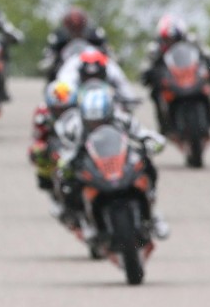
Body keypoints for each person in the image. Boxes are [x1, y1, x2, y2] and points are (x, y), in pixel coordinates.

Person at [54, 83, 170, 240]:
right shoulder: (74, 126)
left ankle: (152, 213)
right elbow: (67, 148)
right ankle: (79, 217)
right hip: (91, 164)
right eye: (91, 122)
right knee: (65, 179)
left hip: (119, 160)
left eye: (101, 121)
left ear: (109, 114)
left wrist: (154, 141)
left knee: (146, 163)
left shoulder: (122, 119)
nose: (96, 125)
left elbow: (142, 133)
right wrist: (65, 162)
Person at [140, 13, 210, 133]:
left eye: (174, 39)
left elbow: (207, 53)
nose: (171, 42)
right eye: (168, 39)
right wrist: (146, 73)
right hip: (169, 76)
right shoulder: (155, 47)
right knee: (155, 91)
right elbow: (147, 64)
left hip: (190, 72)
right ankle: (164, 123)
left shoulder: (192, 40)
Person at [28, 80, 78, 199]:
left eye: (65, 109)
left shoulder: (81, 112)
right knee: (37, 151)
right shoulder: (42, 113)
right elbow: (38, 137)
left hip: (74, 146)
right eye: (57, 109)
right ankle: (47, 181)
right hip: (54, 148)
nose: (61, 113)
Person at [39, 6, 108, 79]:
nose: (76, 30)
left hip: (90, 67)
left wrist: (108, 55)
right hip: (64, 67)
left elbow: (105, 47)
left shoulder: (94, 33)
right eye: (73, 26)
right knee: (52, 73)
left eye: (78, 26)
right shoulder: (59, 35)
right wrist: (49, 60)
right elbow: (51, 50)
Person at [57, 48, 138, 107]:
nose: (93, 81)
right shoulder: (71, 67)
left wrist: (129, 100)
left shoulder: (111, 67)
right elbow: (64, 84)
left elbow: (124, 86)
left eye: (97, 76)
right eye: (88, 77)